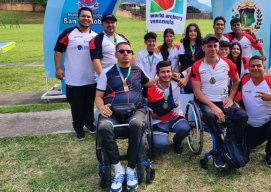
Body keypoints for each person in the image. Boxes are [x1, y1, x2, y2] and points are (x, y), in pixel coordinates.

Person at [95, 42, 155, 191]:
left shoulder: (137, 70)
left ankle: (131, 168)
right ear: (116, 54)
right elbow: (98, 96)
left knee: (137, 124)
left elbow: (149, 83)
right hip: (112, 112)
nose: (125, 53)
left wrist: (166, 76)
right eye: (121, 51)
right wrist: (101, 107)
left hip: (136, 110)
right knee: (103, 127)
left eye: (129, 51)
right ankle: (118, 169)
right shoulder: (106, 72)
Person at [191, 34, 248, 168]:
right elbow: (197, 91)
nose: (212, 48)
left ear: (219, 47)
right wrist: (213, 107)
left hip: (224, 101)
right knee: (210, 116)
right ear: (203, 48)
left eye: (215, 46)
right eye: (209, 46)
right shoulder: (197, 65)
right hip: (206, 102)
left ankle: (231, 144)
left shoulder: (228, 63)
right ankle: (221, 147)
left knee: (242, 116)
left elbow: (236, 81)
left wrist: (231, 97)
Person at [234, 55, 271, 168]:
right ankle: (264, 136)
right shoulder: (245, 79)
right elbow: (237, 97)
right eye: (252, 66)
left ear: (264, 67)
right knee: (244, 146)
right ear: (248, 67)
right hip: (254, 124)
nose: (255, 68)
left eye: (259, 66)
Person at [54, 7, 97, 140]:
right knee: (77, 107)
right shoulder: (68, 33)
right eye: (83, 16)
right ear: (78, 18)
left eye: (88, 17)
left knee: (89, 104)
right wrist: (58, 68)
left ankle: (89, 123)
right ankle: (78, 129)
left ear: (92, 19)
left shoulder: (95, 35)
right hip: (74, 80)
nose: (86, 19)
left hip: (92, 79)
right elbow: (58, 50)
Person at [147, 61, 190, 154]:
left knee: (185, 129)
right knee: (160, 146)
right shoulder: (151, 89)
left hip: (175, 117)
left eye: (168, 71)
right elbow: (148, 111)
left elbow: (192, 68)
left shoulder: (177, 83)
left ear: (172, 72)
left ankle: (177, 141)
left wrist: (186, 79)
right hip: (159, 121)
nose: (166, 75)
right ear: (157, 74)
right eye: (163, 72)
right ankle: (157, 138)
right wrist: (157, 113)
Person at [178, 23, 205, 93]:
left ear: (197, 32)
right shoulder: (183, 45)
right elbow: (182, 62)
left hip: (200, 71)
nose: (193, 33)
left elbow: (204, 59)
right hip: (186, 73)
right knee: (190, 87)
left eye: (195, 31)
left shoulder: (202, 44)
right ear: (187, 33)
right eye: (190, 31)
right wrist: (190, 72)